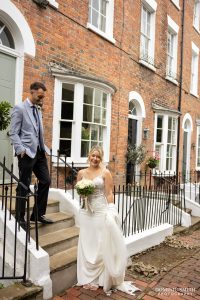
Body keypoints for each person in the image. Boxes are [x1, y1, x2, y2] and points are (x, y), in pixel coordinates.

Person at [76, 145, 139, 296]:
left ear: (101, 158)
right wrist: (82, 195)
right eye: (93, 156)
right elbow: (78, 190)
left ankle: (100, 279)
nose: (95, 159)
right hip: (86, 212)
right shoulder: (81, 173)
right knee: (87, 241)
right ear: (89, 156)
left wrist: (111, 210)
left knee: (100, 242)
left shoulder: (105, 173)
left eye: (98, 156)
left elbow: (109, 193)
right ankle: (87, 277)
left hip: (100, 210)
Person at [9, 82, 53, 229]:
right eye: (40, 95)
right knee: (24, 185)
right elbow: (13, 132)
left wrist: (43, 147)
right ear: (32, 92)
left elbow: (37, 131)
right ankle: (20, 217)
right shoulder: (20, 108)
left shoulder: (38, 110)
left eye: (43, 96)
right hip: (26, 153)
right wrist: (20, 149)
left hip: (39, 152)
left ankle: (38, 214)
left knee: (45, 181)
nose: (42, 99)